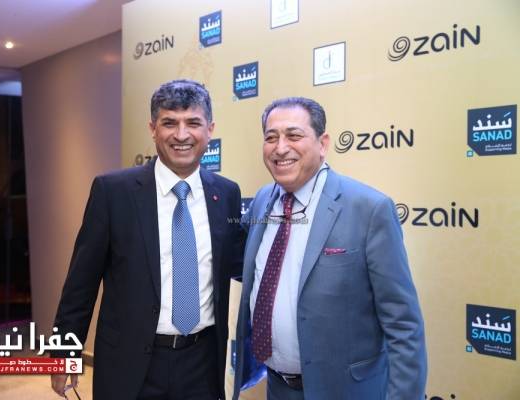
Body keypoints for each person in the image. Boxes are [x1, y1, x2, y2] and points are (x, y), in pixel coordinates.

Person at [51, 79, 243, 399]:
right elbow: (80, 284)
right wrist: (64, 352)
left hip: (203, 363)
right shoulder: (113, 192)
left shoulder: (226, 194)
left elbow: (236, 271)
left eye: (193, 123)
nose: (181, 134)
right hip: (130, 363)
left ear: (210, 130)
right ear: (153, 129)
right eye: (169, 123)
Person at [232, 97, 427, 400]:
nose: (280, 148)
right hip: (277, 388)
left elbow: (403, 325)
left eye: (294, 135)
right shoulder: (262, 200)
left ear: (322, 144)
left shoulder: (369, 209)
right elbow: (254, 271)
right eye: (271, 138)